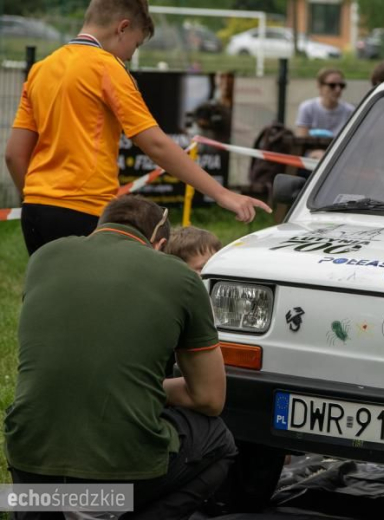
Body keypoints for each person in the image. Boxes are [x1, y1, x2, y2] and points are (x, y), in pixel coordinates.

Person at [4, 195, 237, 519]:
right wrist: (146, 388)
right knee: (219, 440)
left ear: (101, 228)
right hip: (116, 479)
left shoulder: (44, 257)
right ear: (160, 244)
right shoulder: (180, 277)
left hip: (28, 466)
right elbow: (211, 398)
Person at [4, 0, 270, 257]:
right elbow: (155, 144)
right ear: (122, 28)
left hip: (35, 210)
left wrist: (36, 200)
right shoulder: (107, 67)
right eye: (136, 44)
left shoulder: (40, 69)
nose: (131, 55)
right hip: (84, 210)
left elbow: (14, 155)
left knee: (49, 299)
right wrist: (223, 195)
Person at [295, 68, 355, 138]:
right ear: (320, 86)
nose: (338, 89)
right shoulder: (307, 108)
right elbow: (302, 138)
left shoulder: (350, 111)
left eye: (341, 86)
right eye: (332, 85)